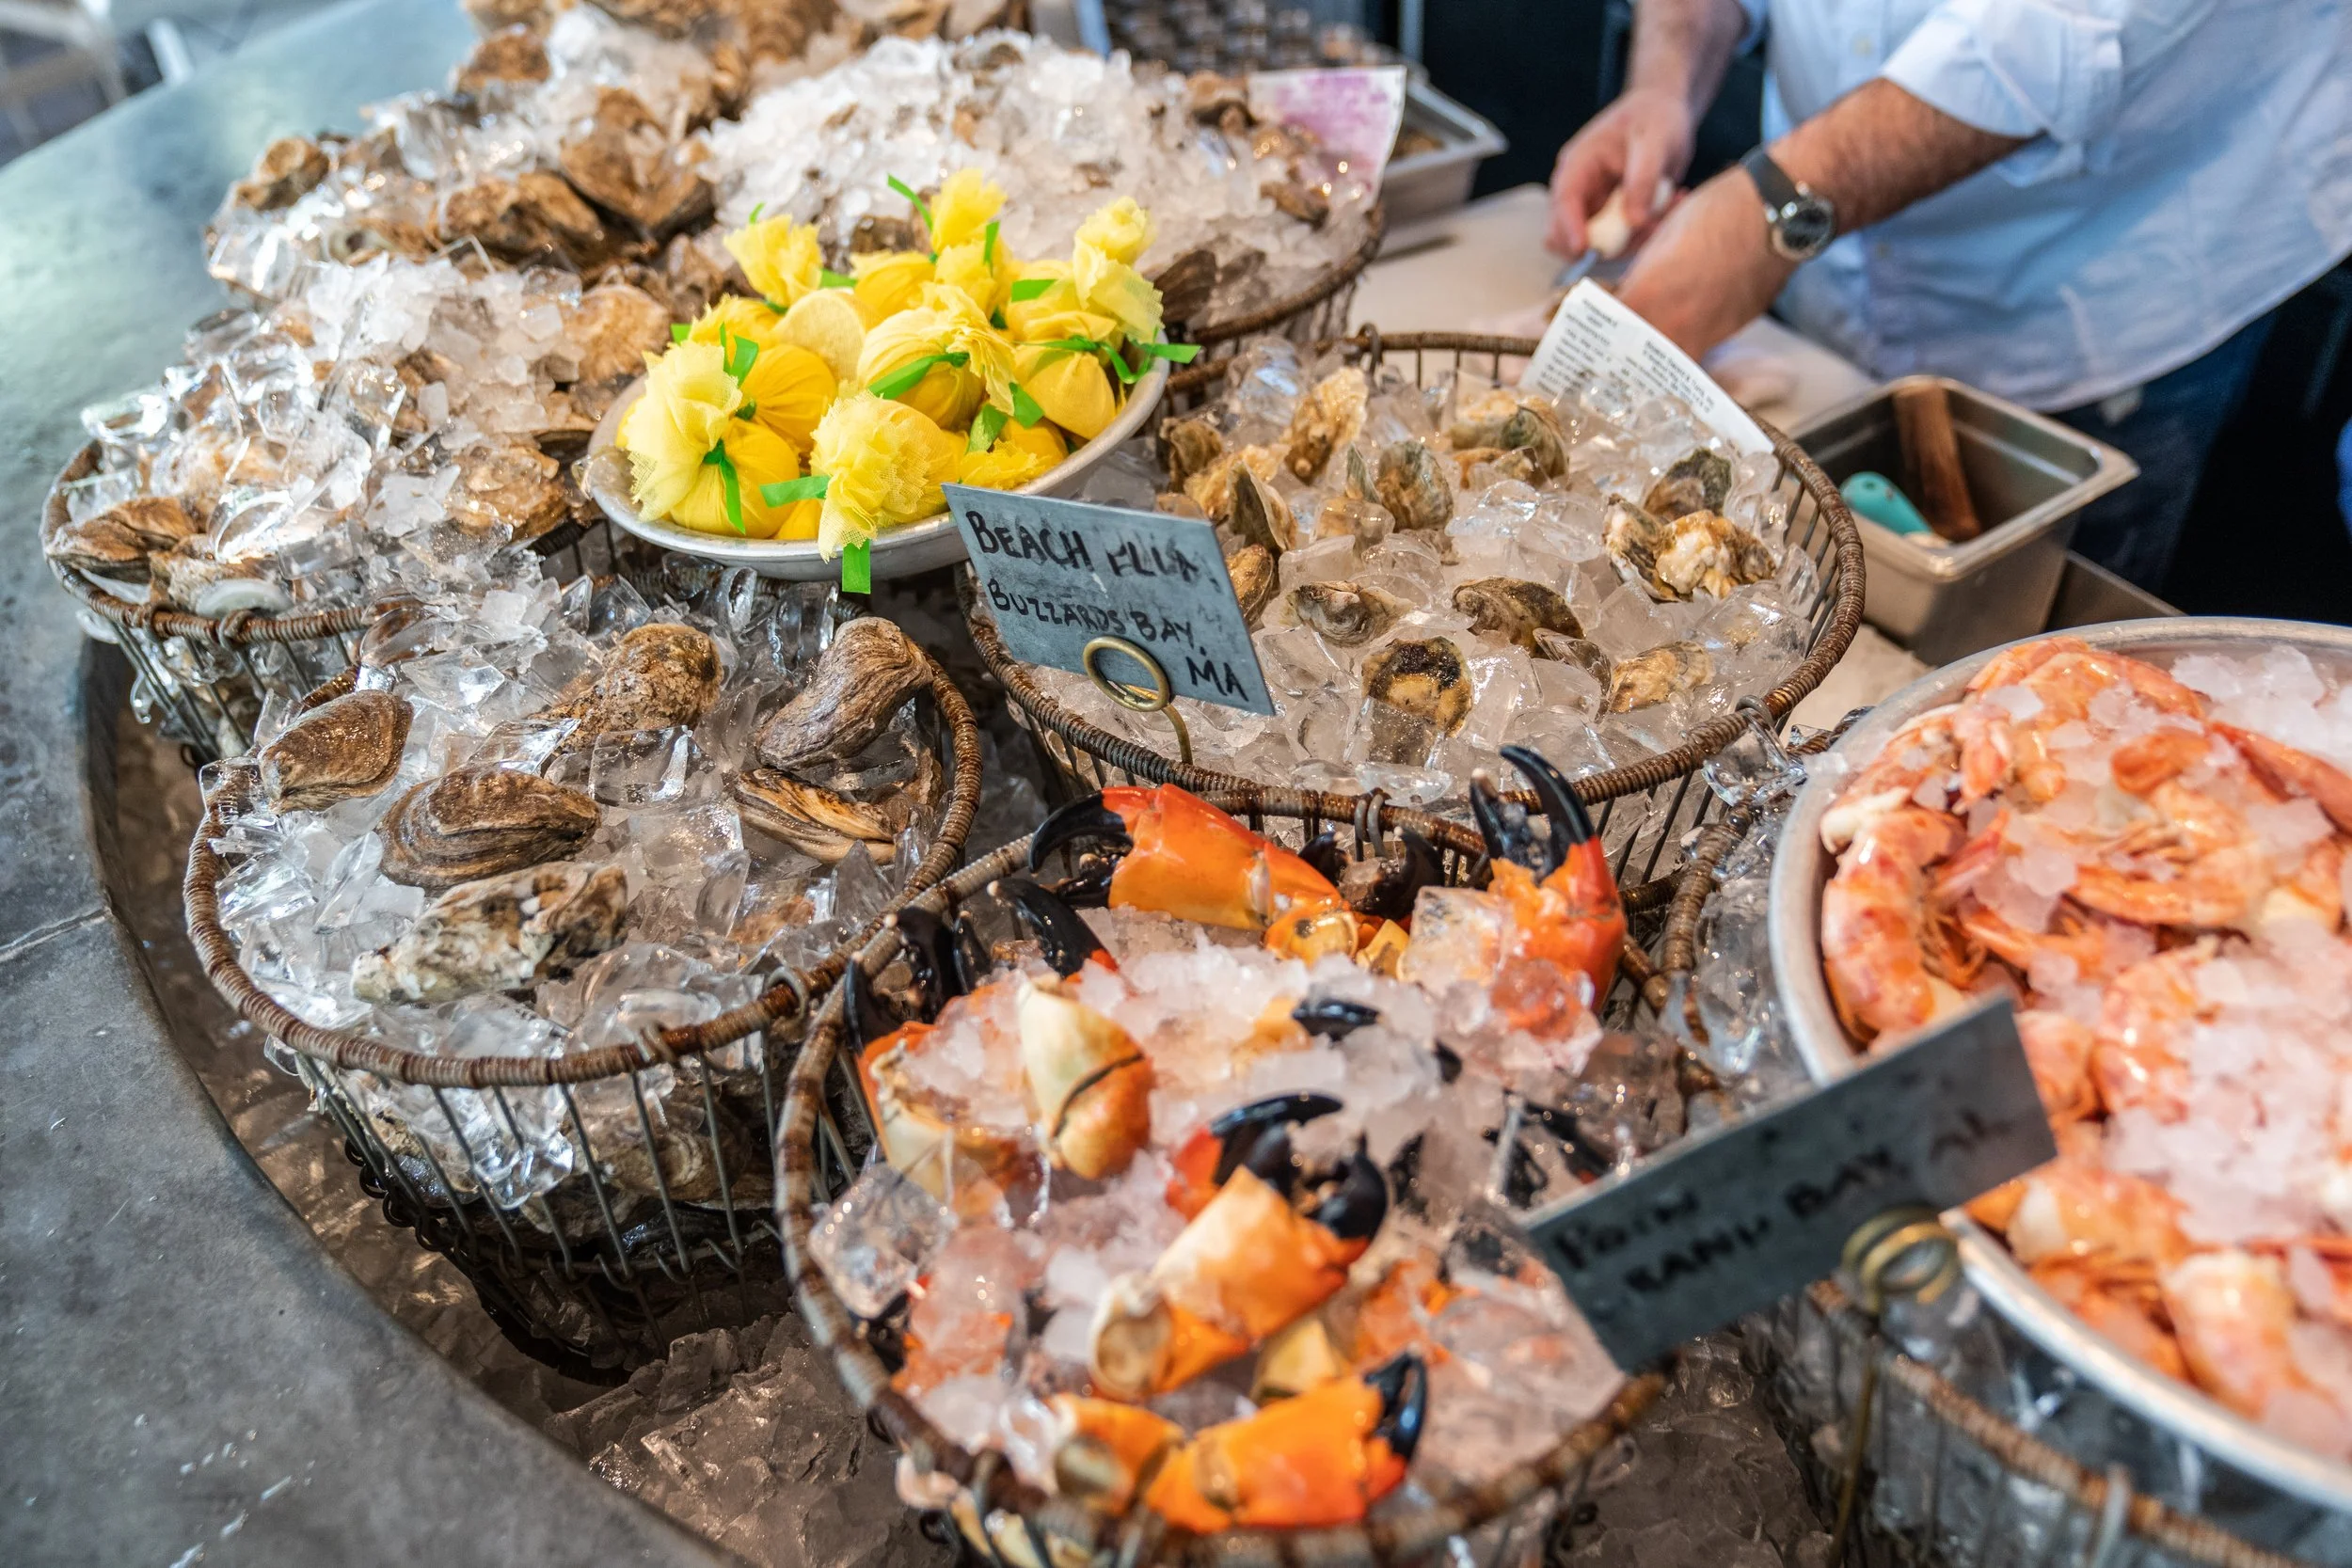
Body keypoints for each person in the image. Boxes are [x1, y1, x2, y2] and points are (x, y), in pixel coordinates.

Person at [1548, 0, 2352, 592]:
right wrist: (1666, 77)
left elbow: (2064, 33)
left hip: (2098, 275)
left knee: (2035, 678)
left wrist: (1776, 208)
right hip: (1817, 269)